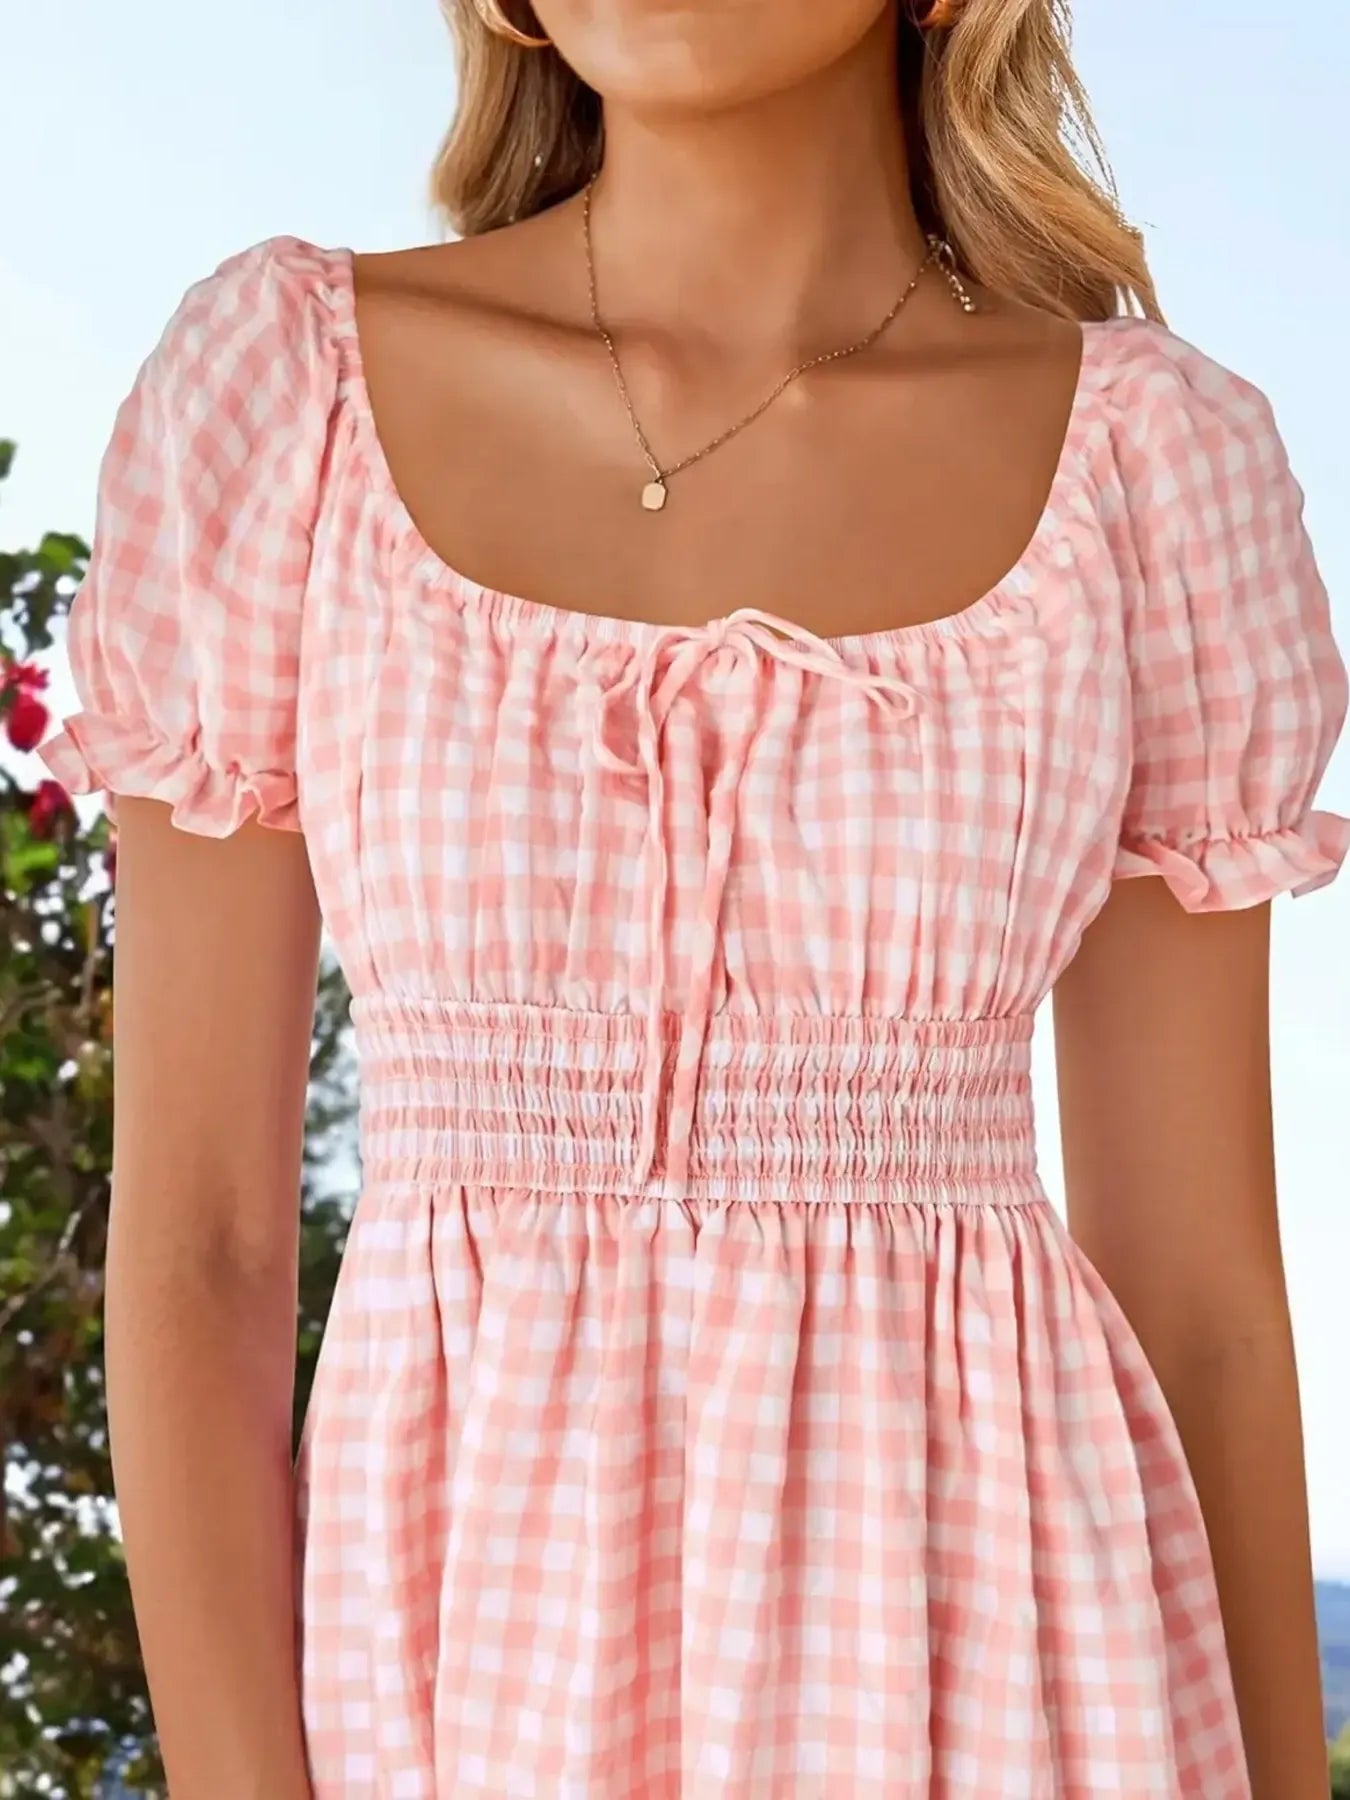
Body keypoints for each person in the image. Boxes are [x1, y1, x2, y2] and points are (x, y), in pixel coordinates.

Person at [37, 0, 1349, 1794]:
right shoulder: (290, 397)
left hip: (994, 1651)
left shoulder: (1149, 465)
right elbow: (204, 1245)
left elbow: (1197, 1298)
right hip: (455, 1661)